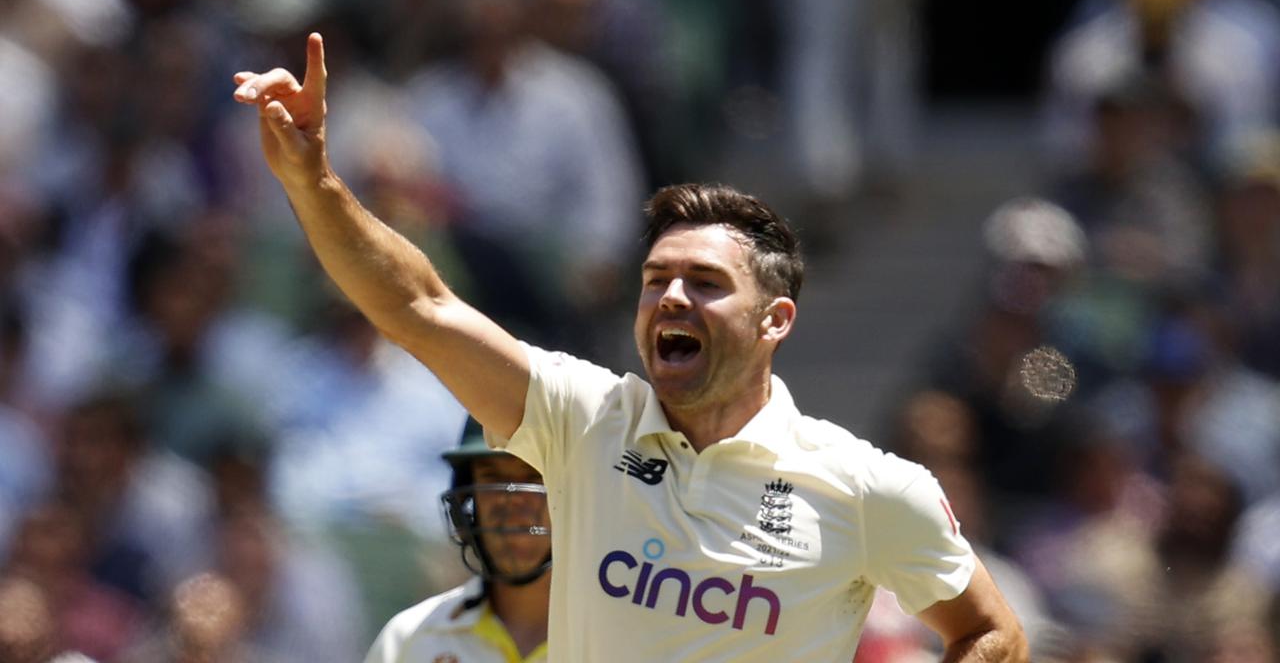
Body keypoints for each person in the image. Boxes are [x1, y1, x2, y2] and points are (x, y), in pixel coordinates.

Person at [232, 33, 1028, 661]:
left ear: (775, 321)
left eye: (705, 283)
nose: (672, 297)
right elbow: (419, 307)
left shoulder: (866, 489)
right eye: (656, 279)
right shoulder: (583, 421)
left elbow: (992, 633)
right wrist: (314, 182)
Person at [364, 420, 551, 663]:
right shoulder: (409, 638)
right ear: (466, 499)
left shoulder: (612, 630)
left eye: (533, 476)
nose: (512, 501)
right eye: (493, 477)